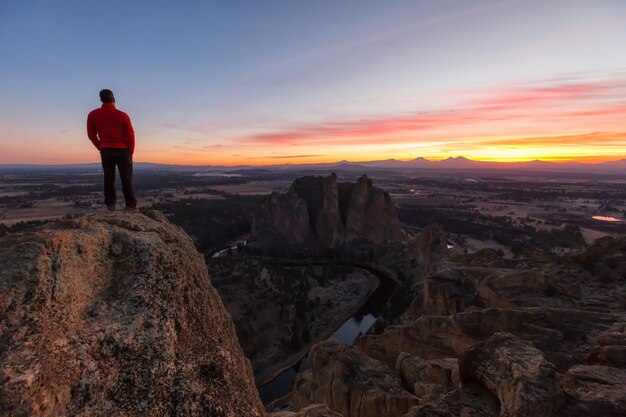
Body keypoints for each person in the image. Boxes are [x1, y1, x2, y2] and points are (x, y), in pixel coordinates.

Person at [87, 89, 137, 211]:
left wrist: (100, 146)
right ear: (114, 99)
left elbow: (91, 135)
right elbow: (130, 134)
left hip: (106, 150)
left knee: (109, 178)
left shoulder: (93, 114)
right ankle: (130, 206)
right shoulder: (122, 115)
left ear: (100, 100)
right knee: (126, 178)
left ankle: (110, 205)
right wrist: (131, 150)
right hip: (123, 150)